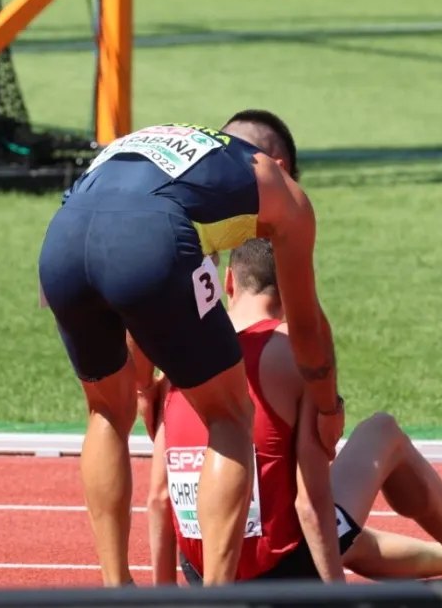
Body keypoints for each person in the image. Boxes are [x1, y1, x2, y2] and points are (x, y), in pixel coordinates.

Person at [37, 111, 344, 586]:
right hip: (146, 236)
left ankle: (116, 587)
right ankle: (216, 596)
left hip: (62, 239)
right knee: (230, 416)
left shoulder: (186, 156)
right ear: (281, 164)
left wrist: (141, 387)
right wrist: (328, 407)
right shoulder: (285, 194)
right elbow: (305, 327)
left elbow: (140, 299)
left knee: (104, 414)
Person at [140, 238, 442, 585]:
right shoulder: (292, 351)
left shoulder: (181, 360)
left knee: (344, 534)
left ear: (229, 283)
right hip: (285, 574)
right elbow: (310, 506)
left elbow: (158, 497)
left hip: (203, 571)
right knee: (382, 432)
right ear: (297, 289)